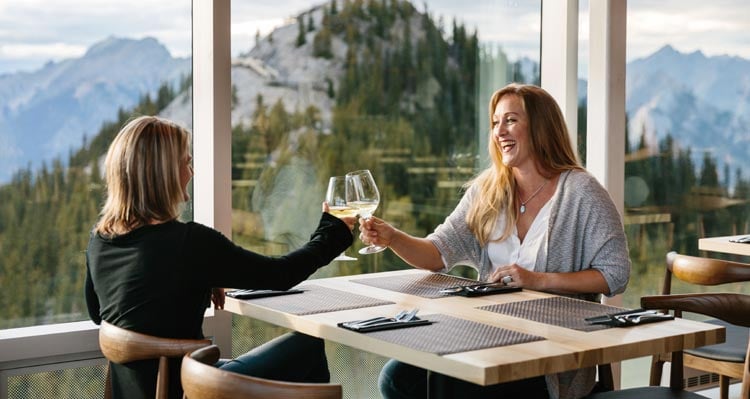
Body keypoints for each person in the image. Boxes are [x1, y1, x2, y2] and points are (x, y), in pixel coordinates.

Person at [359, 83, 631, 399]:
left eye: (511, 120)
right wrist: (393, 237)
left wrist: (538, 280)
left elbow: (615, 275)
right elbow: (437, 252)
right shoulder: (487, 191)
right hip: (488, 334)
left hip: (548, 358)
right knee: (397, 379)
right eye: (495, 122)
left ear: (541, 128)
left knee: (451, 384)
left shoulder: (582, 192)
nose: (499, 131)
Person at [84, 115, 355, 399]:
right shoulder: (189, 243)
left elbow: (99, 312)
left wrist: (199, 279)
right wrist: (332, 231)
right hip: (189, 389)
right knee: (307, 347)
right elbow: (282, 274)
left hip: (146, 391)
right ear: (162, 174)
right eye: (185, 163)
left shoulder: (100, 239)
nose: (191, 172)